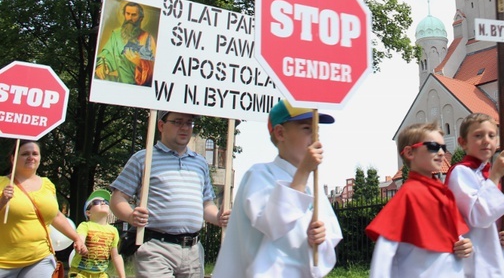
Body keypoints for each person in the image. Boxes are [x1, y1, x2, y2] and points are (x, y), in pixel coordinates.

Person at [212, 99, 342, 278]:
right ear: (281, 133)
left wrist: (320, 238)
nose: (315, 138)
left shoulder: (313, 183)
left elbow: (329, 234)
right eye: (307, 129)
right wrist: (303, 171)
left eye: (317, 131)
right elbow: (272, 224)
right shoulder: (259, 175)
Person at [110, 110, 230, 278]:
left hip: (193, 252)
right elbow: (117, 198)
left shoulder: (200, 163)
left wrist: (218, 217)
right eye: (178, 122)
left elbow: (206, 204)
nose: (184, 128)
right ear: (161, 125)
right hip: (155, 248)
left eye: (189, 123)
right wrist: (131, 216)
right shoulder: (144, 158)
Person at [365, 122, 473, 277]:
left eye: (443, 147)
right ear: (410, 153)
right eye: (433, 146)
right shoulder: (408, 193)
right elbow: (385, 249)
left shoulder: (444, 193)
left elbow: (453, 236)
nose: (442, 153)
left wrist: (465, 245)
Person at [445, 113, 504, 278]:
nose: (486, 140)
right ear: (463, 142)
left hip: (503, 266)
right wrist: (495, 176)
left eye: (491, 135)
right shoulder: (460, 173)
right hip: (477, 265)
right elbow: (477, 217)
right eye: (478, 135)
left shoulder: (490, 176)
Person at [0, 140, 88, 277]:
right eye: (24, 154)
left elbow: (56, 216)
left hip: (40, 258)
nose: (31, 157)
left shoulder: (47, 184)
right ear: (13, 158)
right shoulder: (2, 184)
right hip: (3, 262)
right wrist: (2, 201)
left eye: (35, 153)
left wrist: (76, 238)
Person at [95, 1, 156, 86]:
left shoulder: (147, 38)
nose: (130, 18)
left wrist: (139, 62)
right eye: (128, 14)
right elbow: (106, 54)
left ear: (141, 18)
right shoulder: (115, 34)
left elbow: (154, 69)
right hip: (115, 84)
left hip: (135, 88)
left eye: (134, 15)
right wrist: (101, 65)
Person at [69, 189, 126, 278]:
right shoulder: (85, 225)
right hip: (80, 273)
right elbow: (80, 239)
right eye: (97, 202)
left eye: (106, 202)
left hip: (101, 275)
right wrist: (81, 245)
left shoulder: (113, 231)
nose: (103, 202)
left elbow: (116, 256)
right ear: (88, 213)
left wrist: (122, 276)